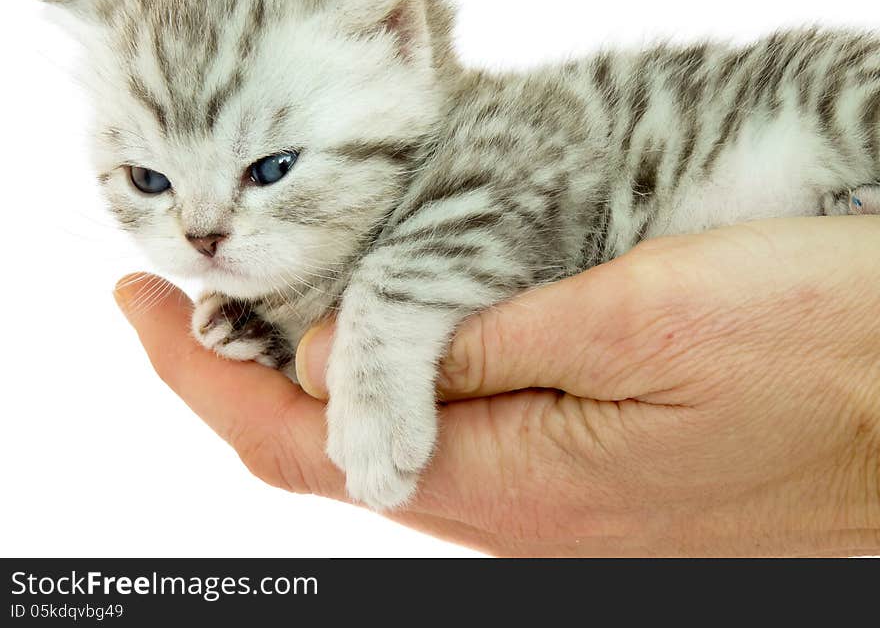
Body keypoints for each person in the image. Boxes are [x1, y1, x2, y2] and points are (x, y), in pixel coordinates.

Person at [113, 216, 880, 556]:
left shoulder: (483, 138)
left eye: (272, 168)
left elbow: (521, 206)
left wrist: (384, 330)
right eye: (151, 183)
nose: (197, 230)